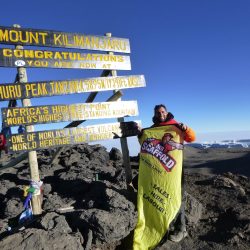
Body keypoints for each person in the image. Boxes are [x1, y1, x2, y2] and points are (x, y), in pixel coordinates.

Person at [137, 104, 195, 243]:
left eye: (162, 112)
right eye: (158, 112)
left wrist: (186, 129)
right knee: (158, 197)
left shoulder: (176, 126)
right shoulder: (153, 129)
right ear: (155, 114)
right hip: (158, 171)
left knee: (176, 196)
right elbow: (144, 143)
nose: (160, 114)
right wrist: (140, 134)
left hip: (175, 171)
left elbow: (191, 138)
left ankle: (182, 229)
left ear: (167, 112)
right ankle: (162, 226)